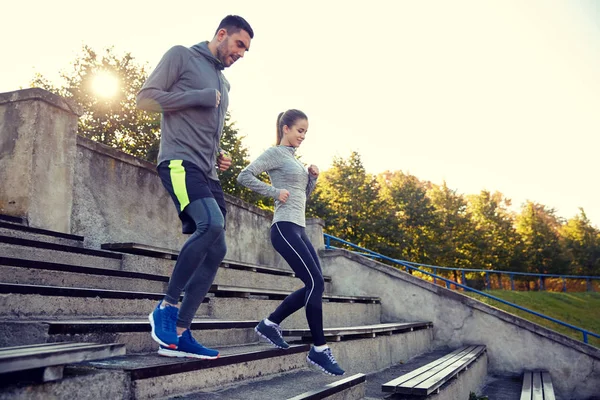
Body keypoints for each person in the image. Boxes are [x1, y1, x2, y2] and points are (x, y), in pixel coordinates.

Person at [136, 15, 254, 359]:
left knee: (217, 250)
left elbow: (204, 128)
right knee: (211, 224)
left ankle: (181, 332)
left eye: (246, 49)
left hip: (207, 172)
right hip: (177, 161)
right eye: (239, 45)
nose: (242, 54)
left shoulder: (224, 84)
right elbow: (145, 99)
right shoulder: (181, 56)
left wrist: (219, 155)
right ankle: (166, 308)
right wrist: (196, 96)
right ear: (221, 35)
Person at [236, 109, 345, 376]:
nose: (303, 136)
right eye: (300, 130)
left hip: (299, 227)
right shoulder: (275, 153)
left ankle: (270, 324)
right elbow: (244, 176)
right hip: (283, 227)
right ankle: (319, 349)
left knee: (315, 284)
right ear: (285, 128)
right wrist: (274, 192)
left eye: (306, 132)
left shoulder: (295, 160)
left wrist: (312, 180)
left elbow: (300, 196)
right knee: (316, 283)